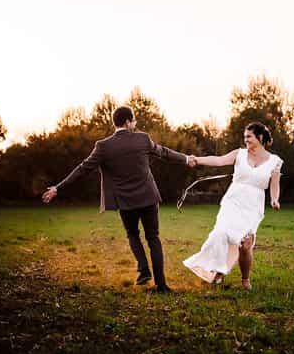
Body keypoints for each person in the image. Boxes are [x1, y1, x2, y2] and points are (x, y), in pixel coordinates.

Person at [42, 105, 194, 294]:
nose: (135, 123)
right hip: (148, 197)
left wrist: (58, 187)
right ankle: (161, 285)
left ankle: (144, 270)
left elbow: (82, 169)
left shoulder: (103, 146)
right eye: (134, 120)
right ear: (128, 122)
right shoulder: (142, 139)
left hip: (126, 202)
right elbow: (163, 152)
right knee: (153, 238)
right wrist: (186, 159)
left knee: (132, 235)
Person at [182, 122, 282, 289]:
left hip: (253, 205)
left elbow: (275, 184)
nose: (246, 140)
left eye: (249, 136)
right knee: (220, 233)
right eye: (245, 137)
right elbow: (219, 160)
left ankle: (245, 280)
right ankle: (218, 271)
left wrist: (274, 199)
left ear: (261, 137)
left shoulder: (275, 161)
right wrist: (197, 159)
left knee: (245, 244)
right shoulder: (239, 154)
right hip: (233, 201)